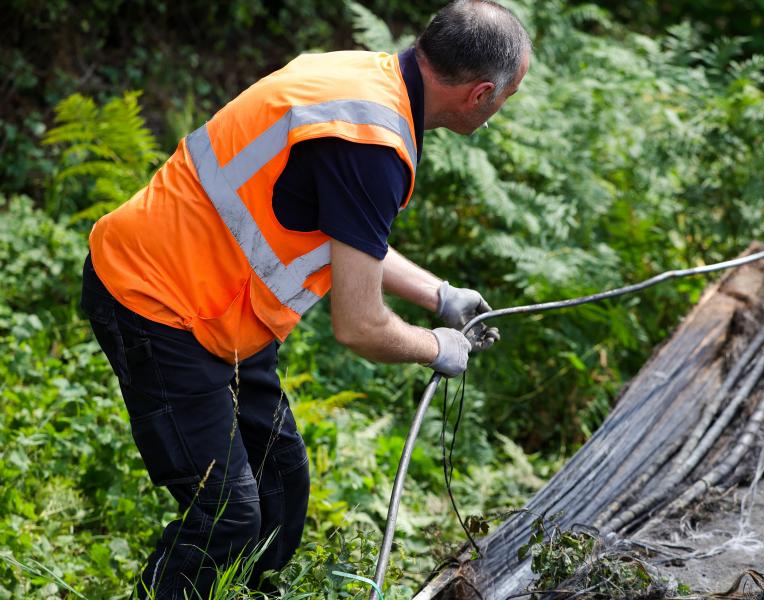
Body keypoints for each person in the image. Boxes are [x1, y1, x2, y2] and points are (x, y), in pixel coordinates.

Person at [78, 1, 530, 596]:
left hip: (219, 307)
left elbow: (346, 229)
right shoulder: (371, 143)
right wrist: (434, 346)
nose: (499, 111)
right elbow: (360, 327)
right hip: (156, 301)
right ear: (480, 93)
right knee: (229, 519)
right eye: (506, 99)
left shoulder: (366, 79)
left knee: (280, 491)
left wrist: (438, 294)